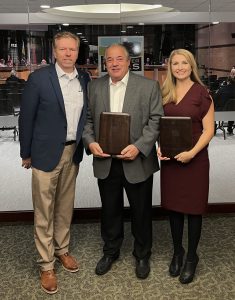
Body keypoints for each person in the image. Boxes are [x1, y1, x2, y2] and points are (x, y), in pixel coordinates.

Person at [83, 44, 163, 279]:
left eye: (119, 59)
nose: (115, 63)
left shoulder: (149, 86)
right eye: (110, 60)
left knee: (141, 211)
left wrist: (138, 148)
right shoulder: (94, 86)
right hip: (106, 160)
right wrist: (90, 142)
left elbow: (156, 120)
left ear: (130, 62)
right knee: (110, 210)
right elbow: (87, 120)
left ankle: (142, 254)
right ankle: (111, 251)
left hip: (136, 161)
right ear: (104, 63)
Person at [19, 31, 90, 294]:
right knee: (44, 211)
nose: (69, 53)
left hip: (72, 152)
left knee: (64, 207)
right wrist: (26, 153)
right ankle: (46, 263)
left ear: (77, 52)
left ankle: (62, 250)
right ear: (55, 51)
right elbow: (26, 119)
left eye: (73, 49)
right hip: (44, 153)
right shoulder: (39, 79)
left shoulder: (84, 78)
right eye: (63, 49)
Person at [158, 49, 214, 284]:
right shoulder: (165, 91)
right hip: (171, 161)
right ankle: (177, 251)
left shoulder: (202, 93)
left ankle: (191, 257)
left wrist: (191, 153)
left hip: (195, 160)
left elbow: (209, 130)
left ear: (192, 66)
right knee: (174, 208)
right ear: (170, 67)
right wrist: (159, 146)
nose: (179, 67)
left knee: (193, 209)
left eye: (184, 63)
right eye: (175, 64)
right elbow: (159, 123)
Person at [214, 68, 235, 134]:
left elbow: (214, 100)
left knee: (212, 107)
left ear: (228, 81)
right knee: (232, 107)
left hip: (220, 115)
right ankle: (230, 127)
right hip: (233, 114)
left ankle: (214, 128)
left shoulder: (222, 89)